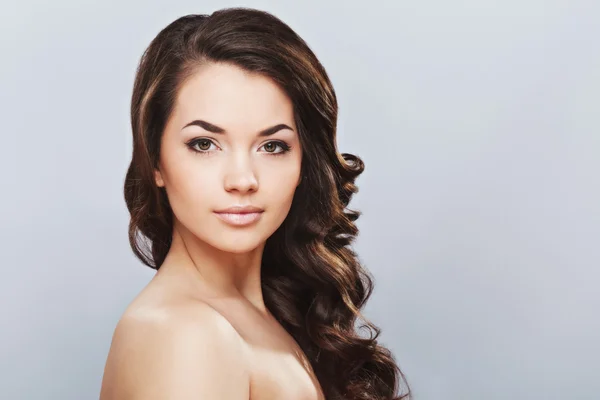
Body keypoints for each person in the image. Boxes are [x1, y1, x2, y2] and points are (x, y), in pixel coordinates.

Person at [99, 7, 410, 400]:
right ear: (155, 160)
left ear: (303, 163)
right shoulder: (183, 333)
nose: (243, 180)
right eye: (204, 144)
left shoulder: (268, 315)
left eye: (272, 146)